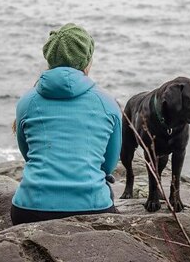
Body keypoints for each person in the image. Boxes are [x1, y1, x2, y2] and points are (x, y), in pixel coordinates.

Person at [11, 23, 122, 225]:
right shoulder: (108, 103)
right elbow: (108, 164)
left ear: (50, 59)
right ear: (87, 60)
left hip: (30, 208)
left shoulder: (27, 102)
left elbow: (28, 154)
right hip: (92, 207)